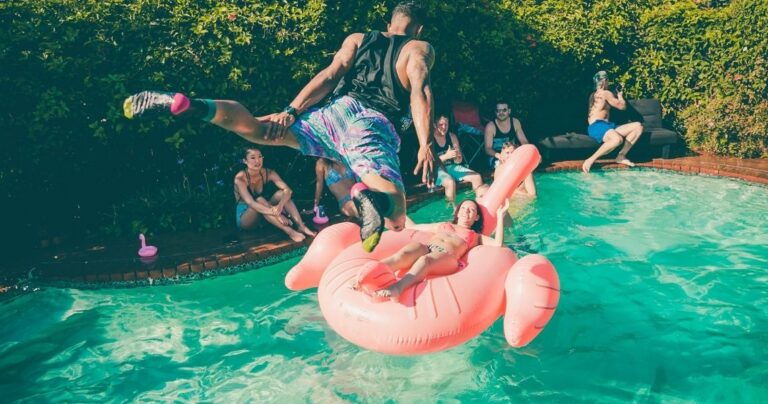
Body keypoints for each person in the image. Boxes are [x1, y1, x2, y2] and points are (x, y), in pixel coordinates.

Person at [123, 2, 436, 252]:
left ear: (389, 23)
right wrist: (425, 144)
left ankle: (194, 105)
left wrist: (291, 110)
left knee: (258, 129)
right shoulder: (419, 48)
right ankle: (367, 196)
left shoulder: (358, 39)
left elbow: (330, 75)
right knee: (396, 214)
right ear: (419, 29)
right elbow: (420, 91)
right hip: (372, 124)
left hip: (332, 115)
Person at [354, 198, 509, 301]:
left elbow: (497, 244)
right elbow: (414, 227)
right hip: (428, 248)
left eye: (471, 210)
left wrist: (500, 217)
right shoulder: (443, 225)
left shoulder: (475, 236)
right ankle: (369, 274)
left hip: (447, 257)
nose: (466, 211)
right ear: (457, 211)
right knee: (409, 251)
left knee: (425, 260)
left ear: (476, 217)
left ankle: (397, 288)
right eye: (463, 208)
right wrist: (395, 212)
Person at [234, 148, 316, 242]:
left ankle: (301, 226)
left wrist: (280, 206)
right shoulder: (240, 178)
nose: (257, 161)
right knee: (260, 200)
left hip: (265, 213)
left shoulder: (268, 173)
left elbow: (288, 190)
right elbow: (251, 203)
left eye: (260, 157)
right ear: (245, 161)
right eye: (253, 158)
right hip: (246, 219)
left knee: (282, 194)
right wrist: (277, 214)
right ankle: (290, 232)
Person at [582, 70, 644, 173]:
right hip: (597, 126)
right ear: (604, 81)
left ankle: (621, 156)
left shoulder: (593, 95)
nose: (608, 83)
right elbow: (622, 106)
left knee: (638, 126)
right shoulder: (606, 93)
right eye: (608, 80)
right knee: (617, 139)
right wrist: (620, 96)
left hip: (607, 126)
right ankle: (590, 160)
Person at [432, 114, 486, 206]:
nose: (444, 127)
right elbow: (430, 162)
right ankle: (451, 209)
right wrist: (446, 156)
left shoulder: (452, 136)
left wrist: (457, 157)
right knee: (450, 182)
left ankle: (479, 205)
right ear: (434, 125)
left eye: (446, 124)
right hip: (437, 169)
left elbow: (459, 161)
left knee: (477, 177)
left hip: (452, 167)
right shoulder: (430, 139)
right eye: (441, 125)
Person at [484, 101, 531, 168]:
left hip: (512, 154)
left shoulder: (515, 122)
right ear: (495, 112)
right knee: (505, 166)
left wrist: (530, 152)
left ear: (509, 111)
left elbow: (524, 141)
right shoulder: (490, 126)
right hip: (496, 157)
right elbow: (487, 149)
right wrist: (500, 156)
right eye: (498, 110)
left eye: (504, 110)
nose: (501, 113)